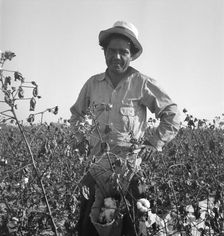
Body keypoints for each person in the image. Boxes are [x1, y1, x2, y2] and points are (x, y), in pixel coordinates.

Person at [70, 21, 180, 236]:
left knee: (132, 228)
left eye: (123, 52)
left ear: (132, 55)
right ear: (104, 52)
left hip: (129, 172)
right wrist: (80, 141)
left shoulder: (142, 83)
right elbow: (76, 115)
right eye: (112, 51)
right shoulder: (93, 84)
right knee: (88, 227)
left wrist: (153, 143)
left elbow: (172, 114)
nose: (117, 57)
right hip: (96, 171)